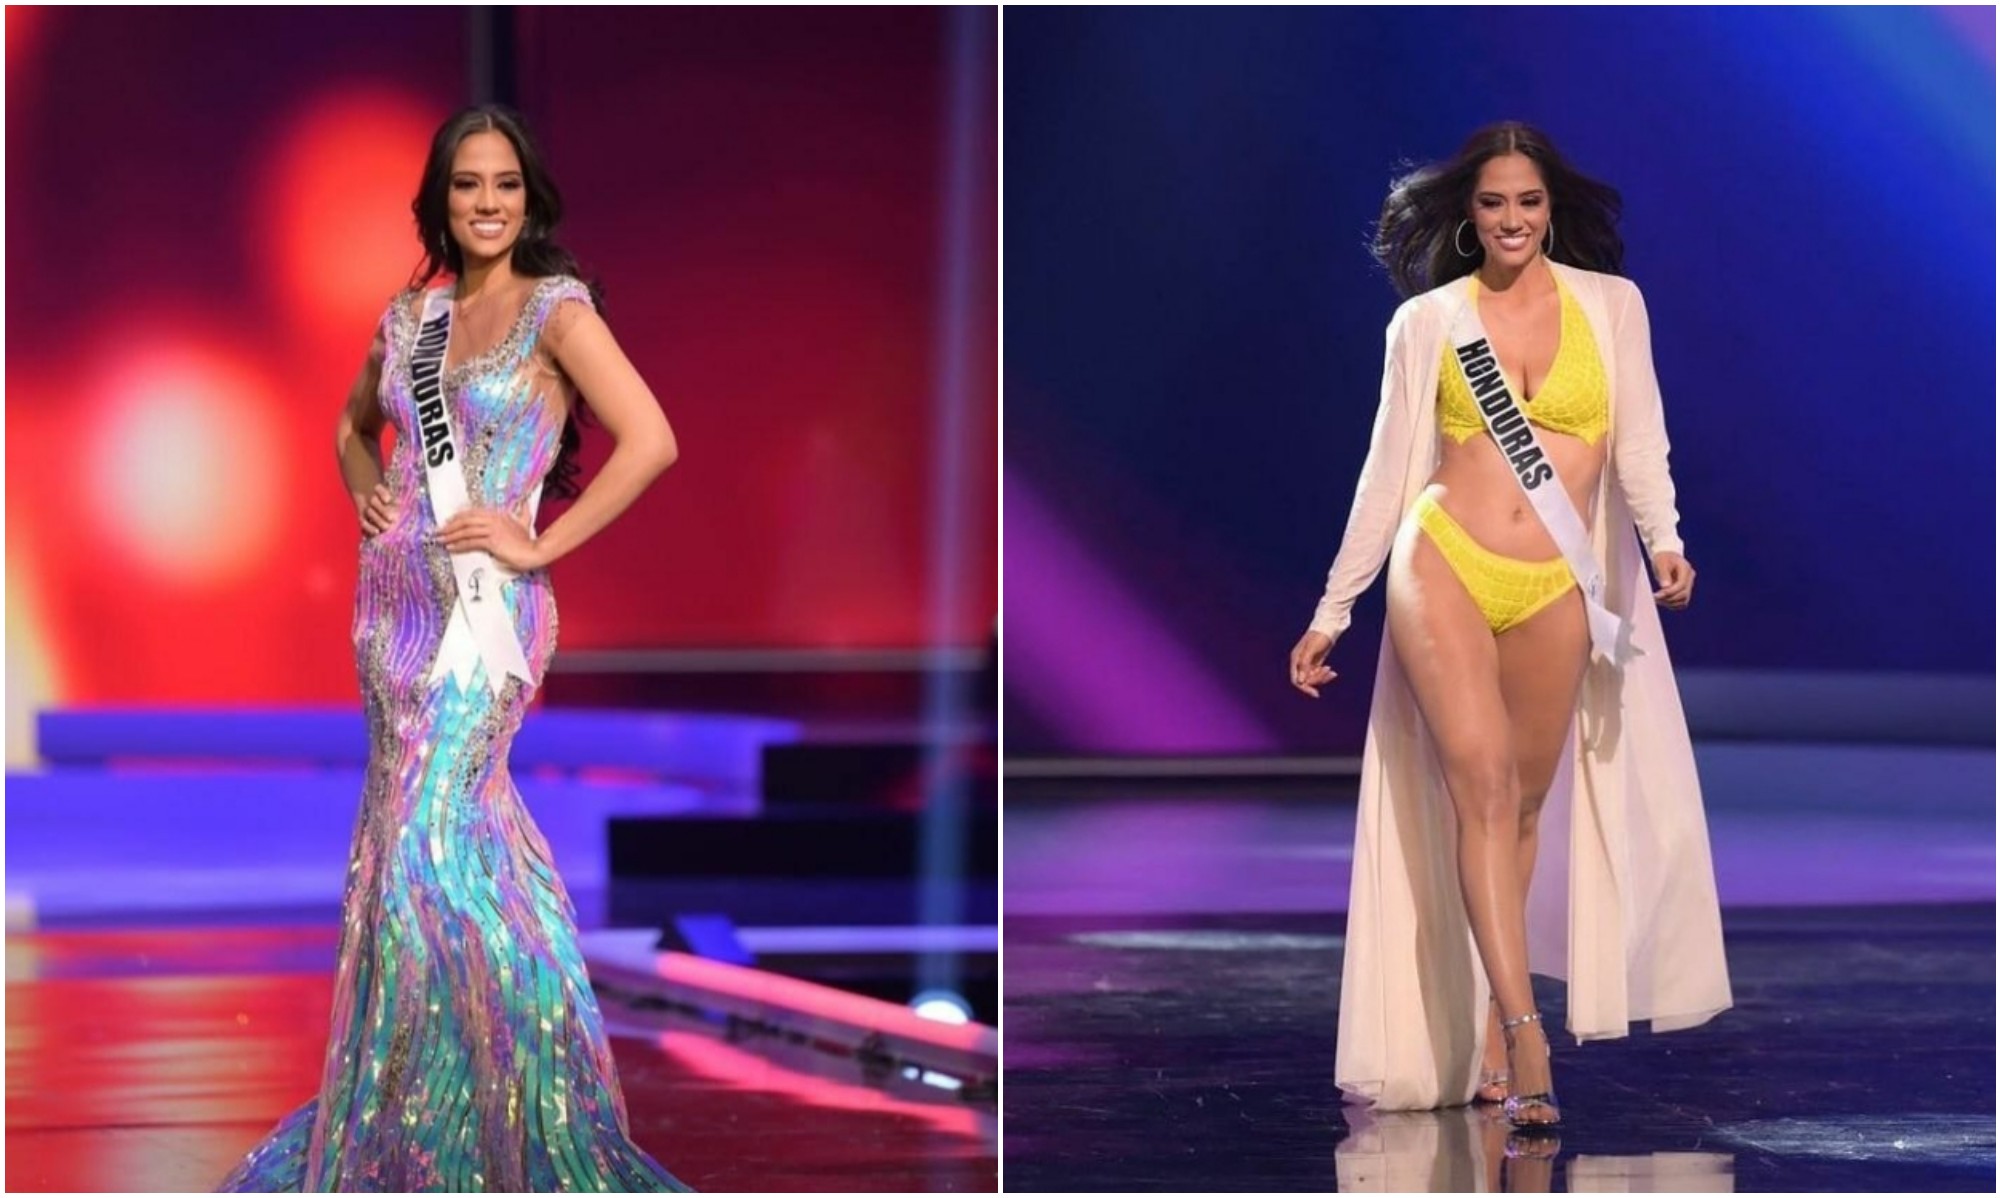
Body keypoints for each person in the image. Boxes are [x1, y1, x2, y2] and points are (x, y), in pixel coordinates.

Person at [220, 104, 689, 1191]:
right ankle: (412, 1123)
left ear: (529, 200)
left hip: (483, 622)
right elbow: (350, 428)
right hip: (392, 617)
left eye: (506, 186)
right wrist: (368, 497)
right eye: (468, 185)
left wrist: (540, 543)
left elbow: (652, 438)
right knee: (397, 863)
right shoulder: (409, 317)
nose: (486, 203)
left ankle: (519, 1114)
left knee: (438, 852)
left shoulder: (555, 311)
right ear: (439, 200)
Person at [1288, 122, 1731, 1130]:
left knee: (1522, 807)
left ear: (1550, 209)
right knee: (1479, 785)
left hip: (1556, 583)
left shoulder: (1610, 306)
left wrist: (1662, 538)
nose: (1510, 220)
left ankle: (1491, 1017)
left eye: (1526, 202)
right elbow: (1385, 472)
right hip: (1442, 557)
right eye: (1491, 203)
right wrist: (1334, 606)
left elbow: (1640, 438)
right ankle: (1529, 1033)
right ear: (1466, 215)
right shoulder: (1428, 324)